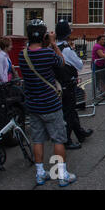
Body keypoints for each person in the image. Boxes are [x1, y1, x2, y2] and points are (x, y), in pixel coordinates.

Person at [18, 19, 76, 187]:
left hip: (33, 105)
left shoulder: (23, 54)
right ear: (44, 36)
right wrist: (53, 44)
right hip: (51, 104)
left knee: (38, 140)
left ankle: (40, 173)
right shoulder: (48, 53)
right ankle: (63, 174)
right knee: (58, 139)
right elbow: (62, 63)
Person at [55, 20, 93, 150]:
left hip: (58, 85)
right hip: (67, 84)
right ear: (67, 35)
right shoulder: (66, 50)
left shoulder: (53, 47)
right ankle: (66, 140)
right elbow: (80, 65)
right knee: (69, 113)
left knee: (71, 110)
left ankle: (80, 132)